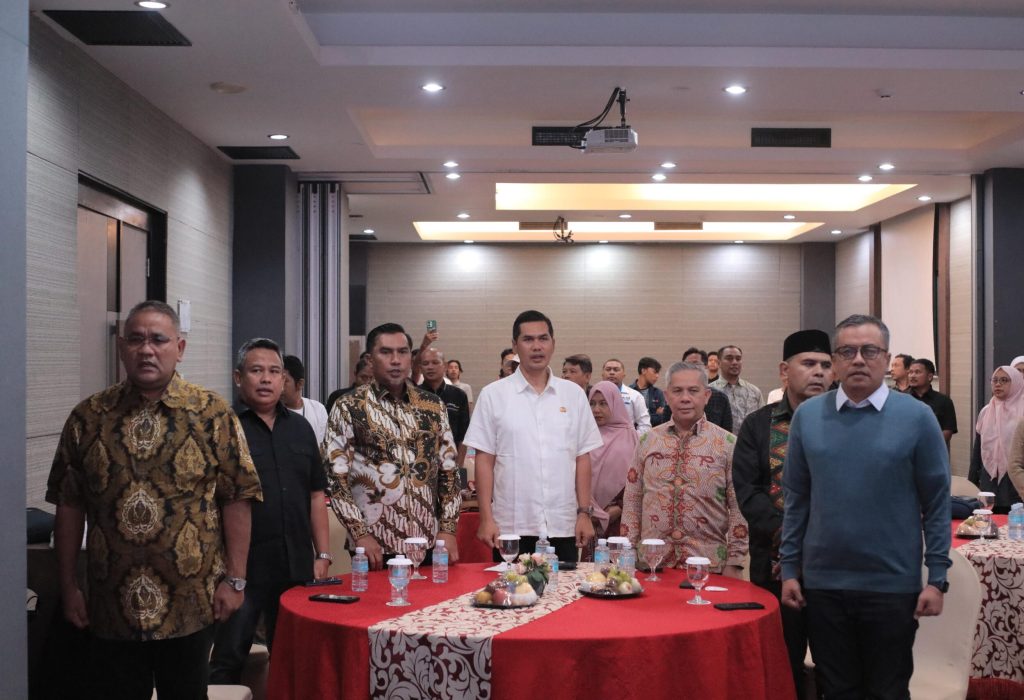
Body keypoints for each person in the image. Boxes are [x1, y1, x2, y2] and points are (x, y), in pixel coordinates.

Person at [46, 300, 262, 700]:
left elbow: (237, 498)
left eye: (158, 340)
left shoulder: (211, 414)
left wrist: (235, 579)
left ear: (179, 348)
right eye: (136, 339)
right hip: (110, 604)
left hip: (191, 602)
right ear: (122, 347)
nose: (147, 349)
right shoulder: (88, 417)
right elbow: (68, 504)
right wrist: (69, 585)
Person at [780, 314, 951, 700]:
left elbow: (937, 502)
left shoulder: (918, 418)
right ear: (835, 361)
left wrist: (938, 577)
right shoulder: (808, 417)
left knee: (887, 691)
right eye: (847, 351)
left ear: (887, 359)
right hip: (823, 586)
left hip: (891, 586)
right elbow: (797, 499)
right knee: (836, 690)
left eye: (869, 351)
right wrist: (789, 568)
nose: (858, 359)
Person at [210, 339, 330, 684]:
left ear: (284, 379)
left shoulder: (301, 428)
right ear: (238, 377)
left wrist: (321, 553)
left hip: (294, 564)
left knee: (293, 659)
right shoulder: (225, 428)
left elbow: (315, 495)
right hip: (240, 570)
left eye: (274, 372)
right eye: (256, 370)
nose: (266, 379)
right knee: (228, 659)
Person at [732, 329, 833, 699]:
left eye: (825, 365)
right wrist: (788, 541)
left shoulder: (847, 421)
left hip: (836, 567)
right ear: (784, 371)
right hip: (773, 564)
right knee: (781, 661)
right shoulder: (759, 425)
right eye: (808, 364)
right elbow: (748, 490)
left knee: (835, 664)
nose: (819, 372)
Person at [465, 310, 603, 563]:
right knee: (514, 598)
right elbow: (484, 460)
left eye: (543, 338)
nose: (537, 346)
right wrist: (486, 518)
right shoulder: (493, 395)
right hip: (512, 525)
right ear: (515, 345)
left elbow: (583, 458)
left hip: (563, 524)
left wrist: (584, 512)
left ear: (553, 343)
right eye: (528, 340)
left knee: (564, 599)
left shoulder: (573, 394)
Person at [324, 322, 461, 570]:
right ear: (370, 359)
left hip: (428, 542)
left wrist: (449, 529)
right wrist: (359, 532)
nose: (396, 360)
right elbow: (335, 477)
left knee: (429, 608)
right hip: (374, 546)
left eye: (403, 352)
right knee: (375, 609)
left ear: (412, 356)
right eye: (386, 352)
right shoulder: (349, 406)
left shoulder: (432, 406)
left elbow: (449, 470)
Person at [620, 362, 748, 574]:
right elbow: (632, 499)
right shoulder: (647, 441)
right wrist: (628, 551)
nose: (685, 398)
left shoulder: (728, 444)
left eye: (693, 391)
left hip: (708, 565)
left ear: (706, 396)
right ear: (667, 396)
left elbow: (738, 507)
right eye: (677, 391)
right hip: (652, 564)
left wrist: (735, 561)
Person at [587, 381, 639, 539]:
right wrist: (588, 509)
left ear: (615, 404)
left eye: (603, 404)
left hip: (621, 516)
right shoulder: (583, 436)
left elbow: (640, 478)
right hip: (588, 516)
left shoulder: (632, 437)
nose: (597, 410)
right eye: (592, 403)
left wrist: (621, 508)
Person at [969, 366, 1024, 512]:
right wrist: (971, 483)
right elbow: (978, 450)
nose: (998, 384)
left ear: (1017, 383)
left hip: (1016, 480)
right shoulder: (986, 411)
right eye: (995, 380)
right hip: (989, 479)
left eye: (1004, 380)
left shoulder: (1022, 411)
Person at [420, 347, 471, 453]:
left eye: (435, 362)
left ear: (445, 366)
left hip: (451, 460)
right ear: (420, 367)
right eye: (425, 363)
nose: (430, 367)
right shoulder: (412, 395)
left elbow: (464, 435)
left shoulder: (459, 395)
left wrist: (459, 466)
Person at [906, 358, 958, 448]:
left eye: (917, 372)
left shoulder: (944, 401)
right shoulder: (902, 399)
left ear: (930, 376)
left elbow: (947, 430)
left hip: (932, 453)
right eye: (910, 372)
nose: (912, 376)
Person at [710, 345, 765, 429]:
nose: (735, 362)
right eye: (729, 358)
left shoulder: (754, 391)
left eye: (738, 359)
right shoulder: (709, 391)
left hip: (750, 441)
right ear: (719, 363)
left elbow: (763, 421)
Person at [682, 348, 734, 432]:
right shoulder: (674, 397)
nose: (690, 368)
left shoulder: (720, 398)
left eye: (696, 364)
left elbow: (727, 434)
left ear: (706, 366)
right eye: (686, 365)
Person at [281, 355, 330, 444]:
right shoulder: (270, 411)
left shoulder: (318, 409)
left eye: (284, 381)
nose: (279, 387)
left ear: (300, 384)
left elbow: (325, 447)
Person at [602, 358, 652, 435]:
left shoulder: (635, 396)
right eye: (608, 369)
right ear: (602, 374)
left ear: (623, 375)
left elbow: (645, 427)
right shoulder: (594, 395)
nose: (611, 372)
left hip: (627, 442)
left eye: (616, 370)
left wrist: (629, 439)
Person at [630, 357, 670, 427]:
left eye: (658, 373)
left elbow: (663, 418)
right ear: (643, 371)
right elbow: (628, 419)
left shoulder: (658, 393)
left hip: (653, 435)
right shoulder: (629, 391)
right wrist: (656, 415)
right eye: (655, 372)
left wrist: (638, 417)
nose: (657, 376)